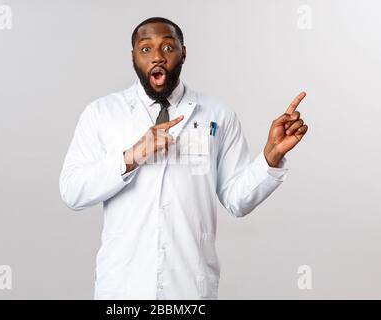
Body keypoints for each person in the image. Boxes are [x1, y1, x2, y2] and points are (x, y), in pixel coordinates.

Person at [59, 17, 309, 299]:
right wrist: (131, 157)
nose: (157, 56)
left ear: (183, 52)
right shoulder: (102, 114)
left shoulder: (217, 115)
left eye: (168, 47)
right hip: (123, 288)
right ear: (133, 57)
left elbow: (237, 201)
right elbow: (72, 190)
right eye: (145, 49)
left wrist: (270, 156)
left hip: (189, 290)